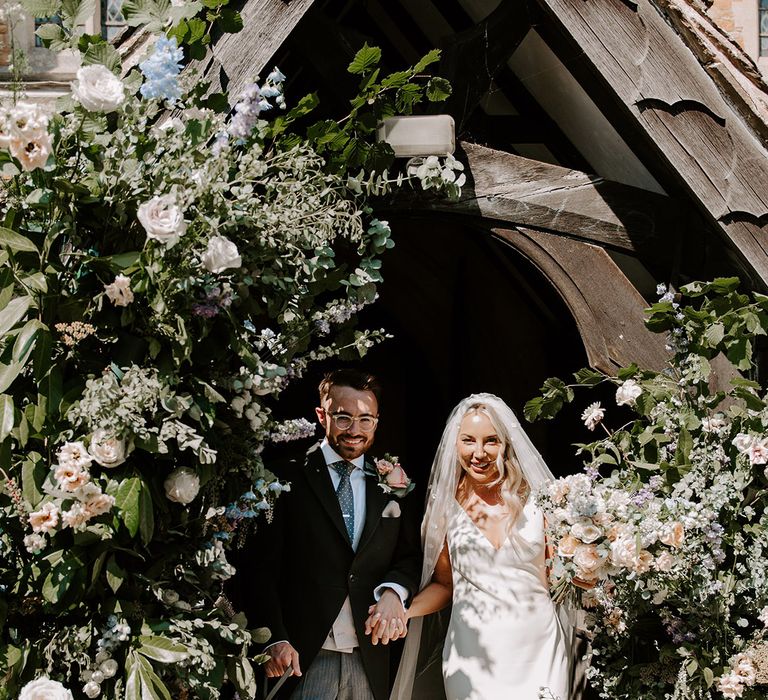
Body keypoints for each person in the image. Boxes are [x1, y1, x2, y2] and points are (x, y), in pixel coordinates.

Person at [373, 393, 571, 700]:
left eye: (491, 441)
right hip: (472, 655)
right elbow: (444, 585)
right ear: (456, 444)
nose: (479, 453)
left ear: (506, 444)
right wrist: (402, 610)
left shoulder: (539, 499)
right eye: (469, 441)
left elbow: (563, 574)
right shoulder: (445, 508)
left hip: (539, 648)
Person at [241, 369, 422, 700]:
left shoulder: (394, 484)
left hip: (370, 657)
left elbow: (409, 557)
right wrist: (273, 638)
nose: (355, 430)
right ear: (321, 415)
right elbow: (258, 568)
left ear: (377, 421)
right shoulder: (283, 478)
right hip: (302, 657)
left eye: (365, 420)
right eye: (343, 418)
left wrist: (395, 593)